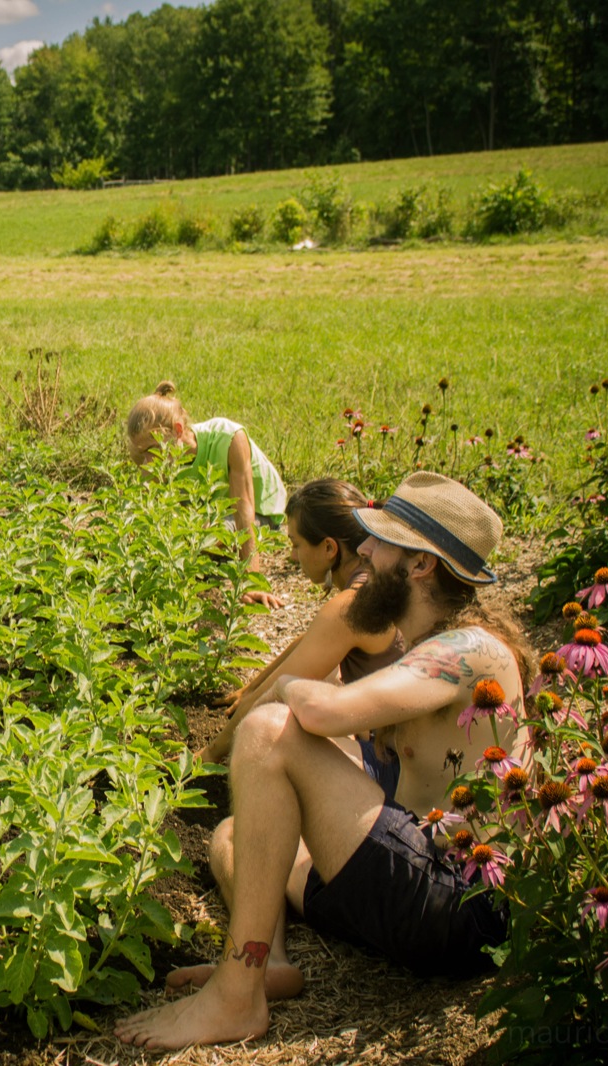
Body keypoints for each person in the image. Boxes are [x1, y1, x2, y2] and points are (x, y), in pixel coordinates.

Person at [117, 472, 534, 1050]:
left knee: (268, 732)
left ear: (421, 566)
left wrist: (288, 687)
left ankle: (235, 998)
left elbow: (326, 712)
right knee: (240, 836)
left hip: (458, 907)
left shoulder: (471, 650)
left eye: (381, 540)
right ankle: (270, 964)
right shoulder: (430, 642)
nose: (363, 549)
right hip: (411, 880)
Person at [198, 478, 405, 801]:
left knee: (276, 728)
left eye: (296, 544)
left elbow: (276, 692)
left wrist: (209, 755)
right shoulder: (371, 579)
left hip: (395, 772)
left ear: (328, 548)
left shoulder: (351, 606)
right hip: (400, 752)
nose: (293, 557)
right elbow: (308, 642)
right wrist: (249, 687)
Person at [126, 381, 287, 608]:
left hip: (260, 510)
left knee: (201, 540)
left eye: (150, 451)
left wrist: (251, 582)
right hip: (209, 514)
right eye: (141, 454)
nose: (147, 462)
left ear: (178, 431)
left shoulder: (228, 437)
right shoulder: (161, 462)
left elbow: (244, 509)